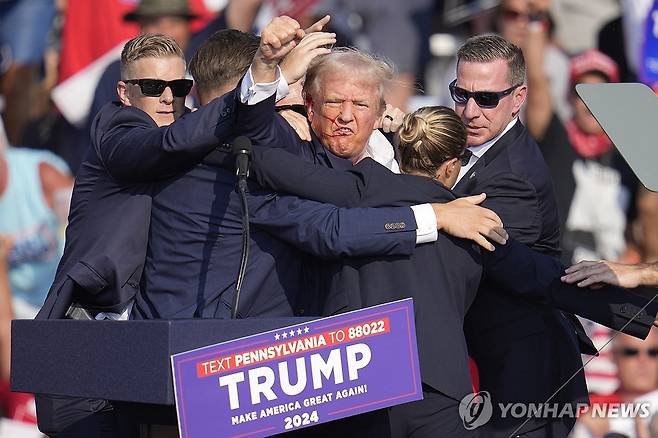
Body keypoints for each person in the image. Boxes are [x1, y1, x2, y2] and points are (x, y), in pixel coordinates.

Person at [447, 34, 594, 437]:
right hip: (492, 368)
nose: (471, 112)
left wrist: (431, 216)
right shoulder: (467, 143)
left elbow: (475, 259)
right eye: (461, 95)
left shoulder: (515, 178)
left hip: (526, 381)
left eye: (487, 99)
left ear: (518, 97)